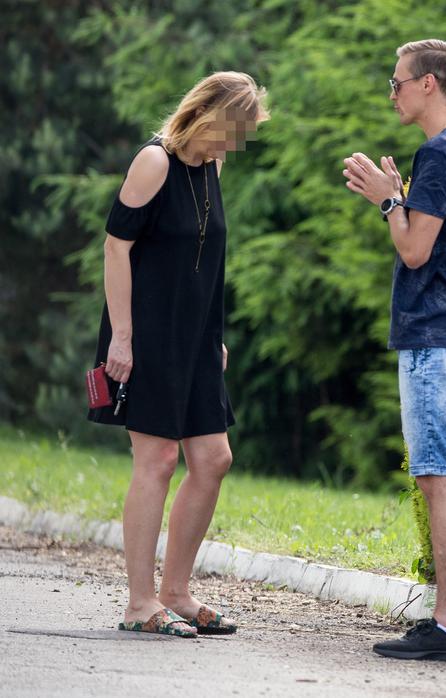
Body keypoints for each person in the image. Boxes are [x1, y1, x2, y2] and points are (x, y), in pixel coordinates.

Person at [88, 71, 269, 637]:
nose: (234, 145)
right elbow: (117, 249)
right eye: (232, 131)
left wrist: (213, 335)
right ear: (208, 116)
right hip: (144, 335)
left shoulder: (212, 167)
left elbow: (209, 262)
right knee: (159, 459)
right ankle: (140, 604)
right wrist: (122, 337)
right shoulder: (155, 163)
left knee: (214, 459)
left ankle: (177, 592)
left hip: (193, 338)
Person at [343, 40, 446, 661]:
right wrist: (402, 198)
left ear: (429, 83)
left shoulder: (438, 152)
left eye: (398, 82)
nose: (393, 92)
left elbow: (414, 250)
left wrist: (386, 200)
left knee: (438, 478)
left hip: (436, 335)